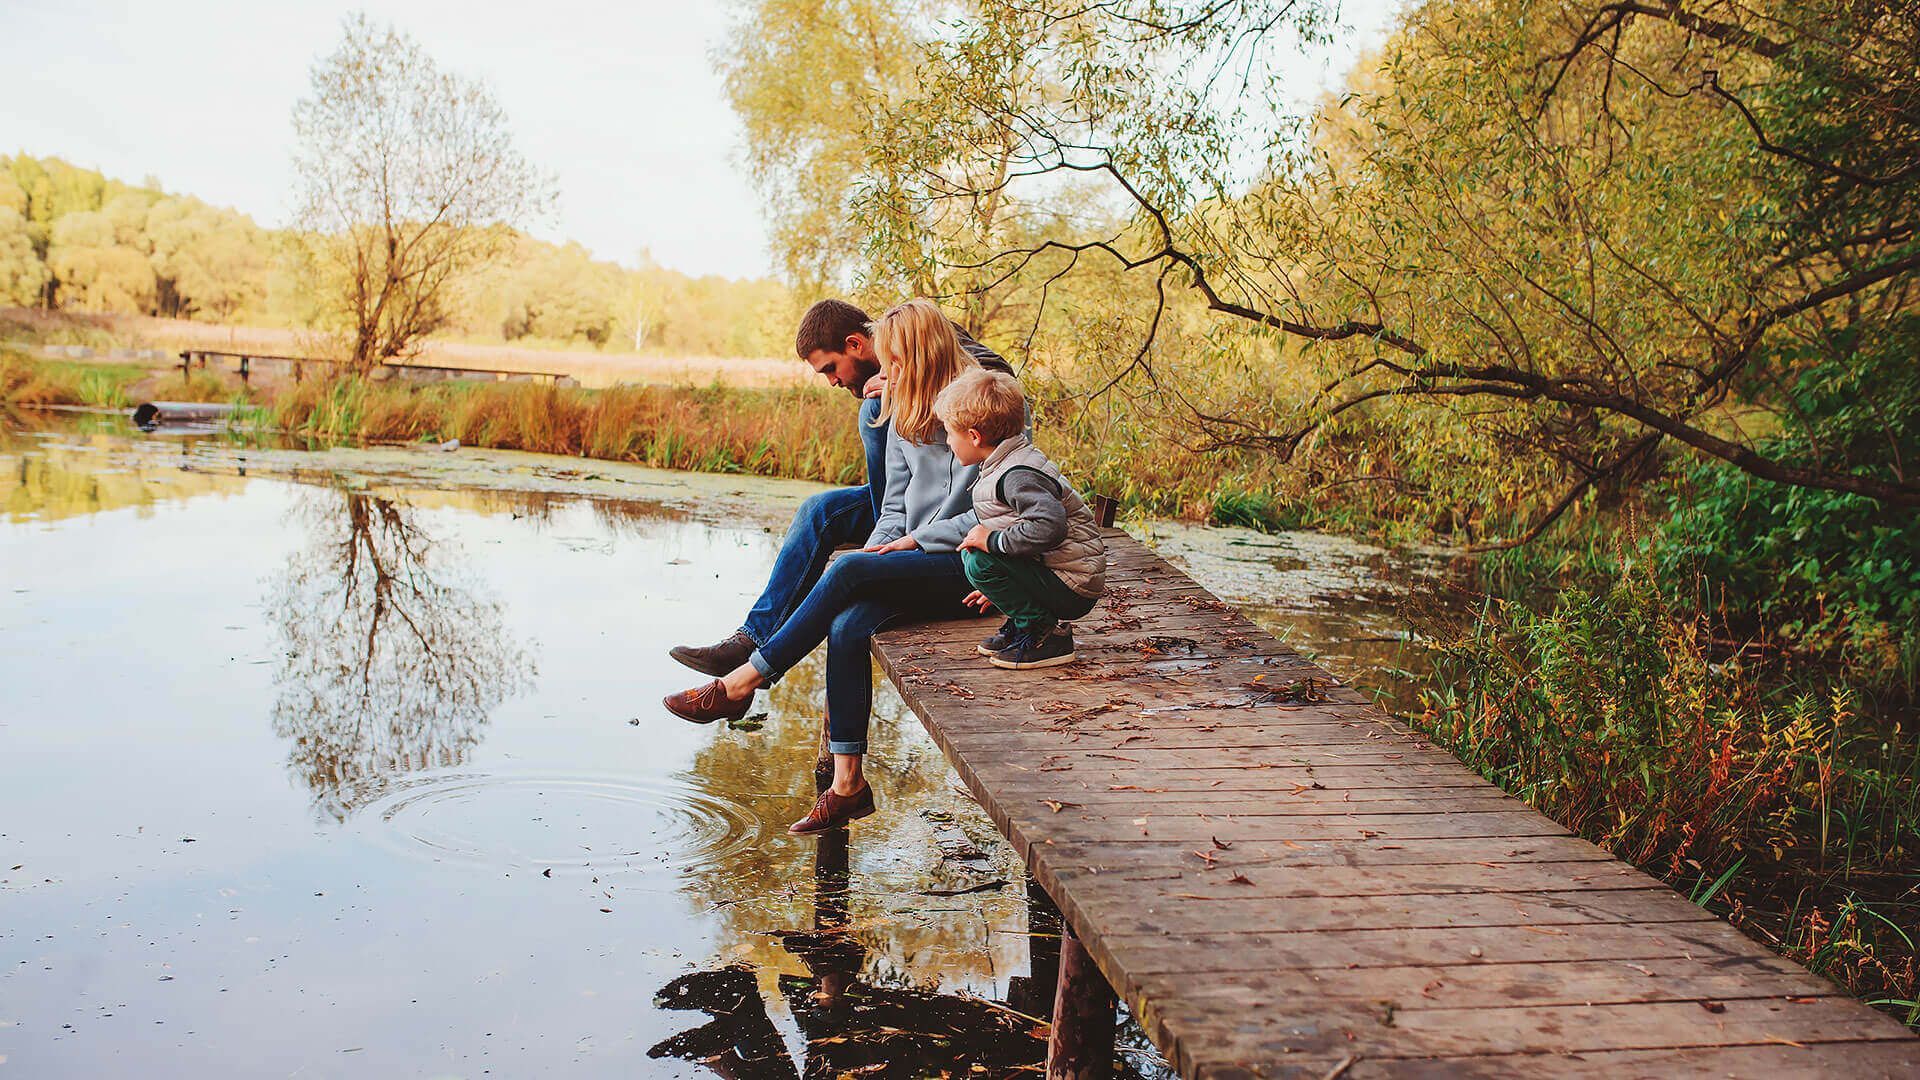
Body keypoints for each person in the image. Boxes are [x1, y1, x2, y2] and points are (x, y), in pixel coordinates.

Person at [664, 299, 1000, 835]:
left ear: (914, 356)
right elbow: (891, 504)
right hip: (916, 557)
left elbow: (993, 514)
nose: (882, 369)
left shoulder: (982, 412)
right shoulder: (895, 412)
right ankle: (848, 787)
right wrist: (881, 548)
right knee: (845, 626)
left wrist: (909, 543)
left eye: (892, 360)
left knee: (844, 574)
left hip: (974, 565)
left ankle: (740, 683)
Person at [667, 299, 1010, 681]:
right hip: (906, 500)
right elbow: (896, 492)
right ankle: (751, 639)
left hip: (960, 510)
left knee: (872, 414)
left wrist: (912, 383)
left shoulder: (920, 336)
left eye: (830, 368)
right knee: (819, 510)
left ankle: (755, 671)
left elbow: (998, 378)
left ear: (854, 344)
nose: (832, 381)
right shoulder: (890, 373)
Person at [938, 369, 1106, 668]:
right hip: (1059, 571)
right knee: (976, 554)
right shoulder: (1005, 463)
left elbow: (1050, 527)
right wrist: (1007, 587)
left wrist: (992, 541)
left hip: (1075, 583)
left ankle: (1047, 634)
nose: (948, 442)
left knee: (980, 558)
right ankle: (1024, 621)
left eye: (950, 433)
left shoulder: (1016, 475)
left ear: (974, 436)